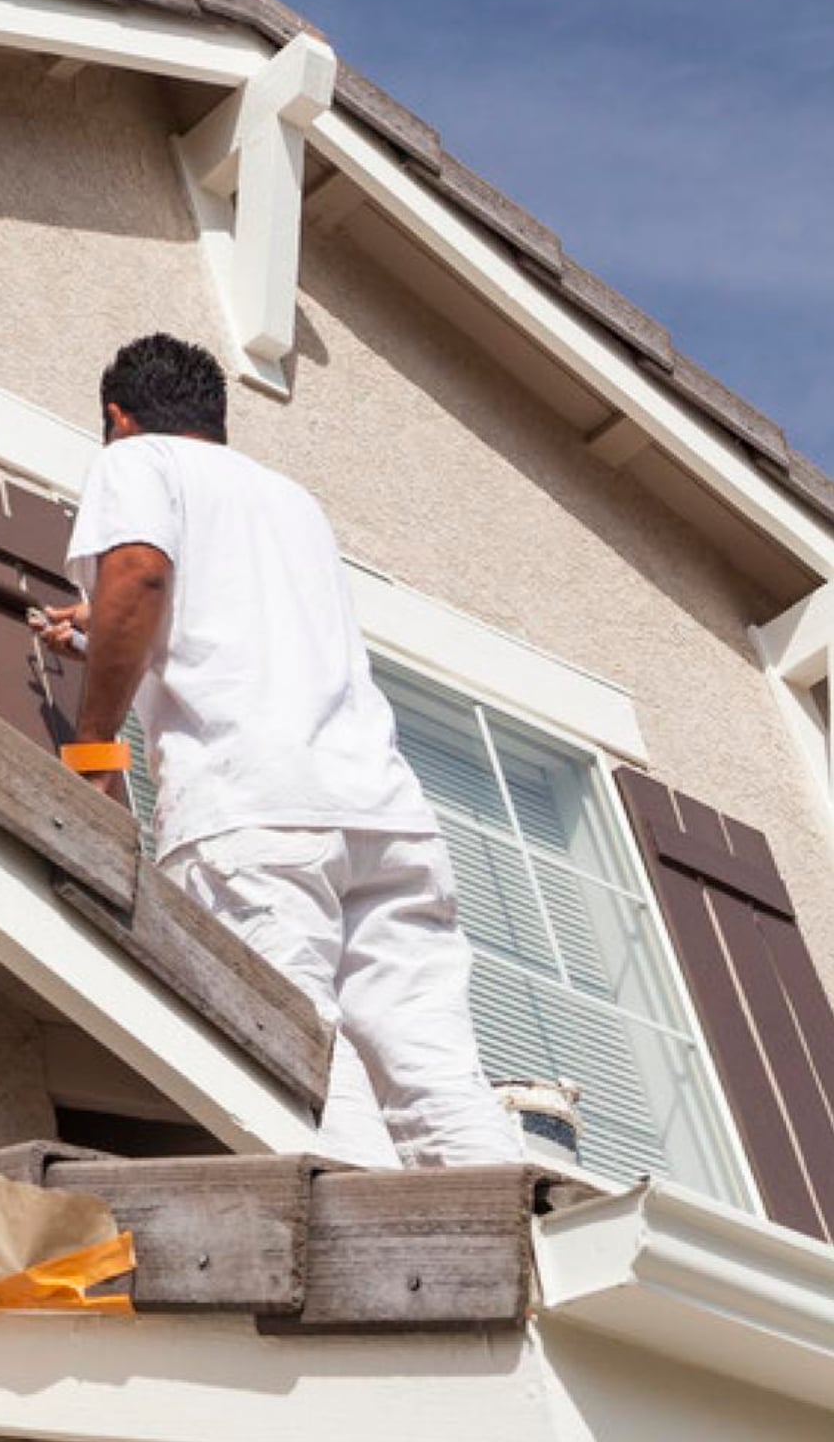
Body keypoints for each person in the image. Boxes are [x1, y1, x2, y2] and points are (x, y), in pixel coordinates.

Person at [36, 332, 521, 1170]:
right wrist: (107, 631)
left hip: (257, 817)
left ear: (120, 417)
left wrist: (92, 745)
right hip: (382, 818)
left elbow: (143, 575)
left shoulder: (133, 461)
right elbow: (232, 621)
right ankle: (510, 1269)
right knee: (435, 1077)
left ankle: (373, 1270)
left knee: (298, 1059)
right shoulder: (291, 502)